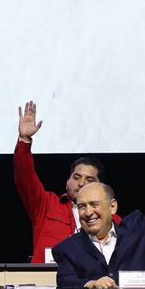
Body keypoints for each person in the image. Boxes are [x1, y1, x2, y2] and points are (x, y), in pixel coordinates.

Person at [53, 121, 145, 289]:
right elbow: (65, 282)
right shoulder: (67, 249)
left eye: (94, 204)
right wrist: (91, 283)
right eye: (82, 206)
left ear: (112, 206)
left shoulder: (140, 230)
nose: (88, 212)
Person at [12, 100, 114, 262]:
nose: (81, 184)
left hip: (94, 281)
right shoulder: (46, 205)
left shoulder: (110, 216)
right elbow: (24, 177)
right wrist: (24, 140)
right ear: (67, 182)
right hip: (48, 281)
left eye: (89, 180)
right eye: (76, 177)